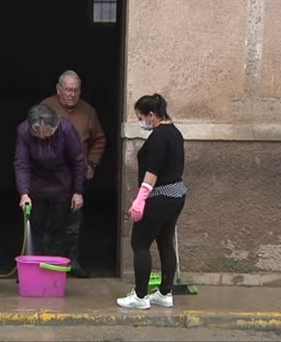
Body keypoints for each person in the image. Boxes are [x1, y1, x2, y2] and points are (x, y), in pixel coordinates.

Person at [116, 94, 187, 309]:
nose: (141, 122)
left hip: (160, 196)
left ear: (152, 115)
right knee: (165, 241)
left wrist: (140, 200)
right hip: (177, 194)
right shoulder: (175, 133)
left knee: (139, 243)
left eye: (140, 117)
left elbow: (153, 172)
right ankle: (165, 293)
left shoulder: (158, 137)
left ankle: (140, 296)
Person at [41, 70, 106, 277]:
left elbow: (99, 140)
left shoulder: (88, 111)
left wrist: (92, 164)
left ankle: (72, 261)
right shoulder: (46, 107)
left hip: (76, 176)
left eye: (76, 90)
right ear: (59, 89)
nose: (72, 94)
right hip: (49, 177)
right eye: (68, 90)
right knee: (48, 221)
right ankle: (46, 262)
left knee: (73, 221)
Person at [14, 104, 86, 257]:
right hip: (36, 186)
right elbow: (22, 163)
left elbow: (78, 161)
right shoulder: (23, 130)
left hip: (61, 185)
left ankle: (52, 271)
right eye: (39, 132)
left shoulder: (66, 129)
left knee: (57, 230)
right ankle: (33, 268)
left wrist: (78, 191)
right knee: (35, 227)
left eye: (47, 131)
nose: (44, 136)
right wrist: (24, 193)